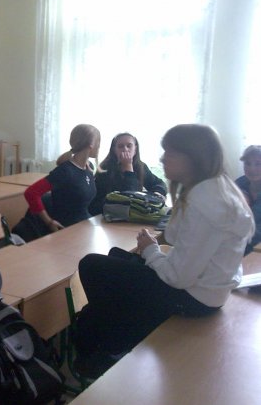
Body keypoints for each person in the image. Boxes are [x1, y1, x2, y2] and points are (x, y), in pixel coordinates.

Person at [74, 124, 255, 379]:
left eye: (169, 153)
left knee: (91, 265)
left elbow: (177, 277)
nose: (162, 158)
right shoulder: (217, 189)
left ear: (192, 158)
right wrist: (154, 251)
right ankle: (110, 334)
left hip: (193, 299)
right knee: (116, 255)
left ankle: (113, 345)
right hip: (208, 292)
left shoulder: (204, 202)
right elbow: (182, 244)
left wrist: (151, 250)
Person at [16, 124, 100, 241]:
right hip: (66, 230)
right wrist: (49, 222)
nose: (99, 147)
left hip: (84, 227)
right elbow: (31, 193)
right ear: (91, 145)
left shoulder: (88, 167)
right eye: (98, 142)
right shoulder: (65, 171)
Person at [88, 132, 167, 215]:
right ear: (114, 150)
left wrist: (157, 193)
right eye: (120, 146)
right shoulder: (105, 168)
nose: (125, 149)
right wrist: (128, 167)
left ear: (135, 149)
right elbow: (129, 197)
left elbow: (158, 183)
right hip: (107, 213)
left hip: (132, 214)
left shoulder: (140, 166)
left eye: (129, 146)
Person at [235, 145, 261, 255]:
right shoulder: (238, 185)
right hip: (234, 245)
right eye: (247, 163)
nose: (252, 169)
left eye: (258, 164)